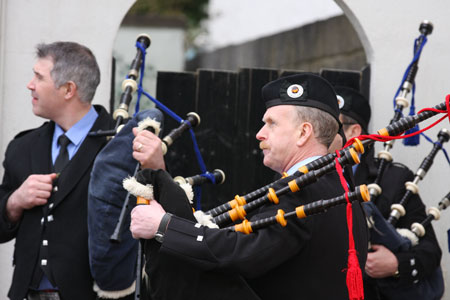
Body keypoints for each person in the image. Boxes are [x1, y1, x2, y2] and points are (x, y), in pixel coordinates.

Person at [129, 73, 369, 299]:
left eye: (271, 123)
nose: (259, 134)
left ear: (303, 133)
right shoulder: (337, 185)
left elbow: (245, 254)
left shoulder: (303, 189)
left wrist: (164, 227)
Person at [0, 41, 160, 300]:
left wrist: (157, 166)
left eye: (39, 77)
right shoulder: (22, 147)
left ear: (68, 89)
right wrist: (14, 202)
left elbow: (160, 218)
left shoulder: (124, 146)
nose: (30, 84)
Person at [330, 84, 443, 300]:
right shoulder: (302, 177)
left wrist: (395, 265)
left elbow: (430, 252)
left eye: (329, 127)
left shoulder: (394, 179)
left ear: (353, 132)